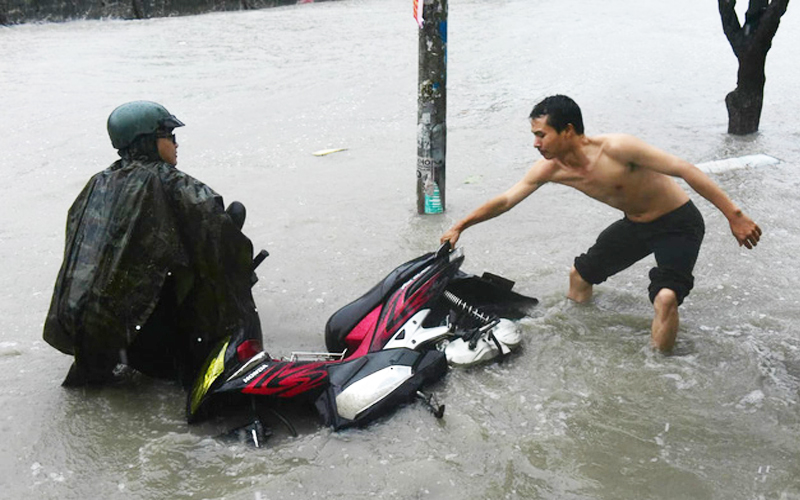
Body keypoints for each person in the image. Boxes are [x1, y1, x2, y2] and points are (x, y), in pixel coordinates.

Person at [441, 95, 762, 351]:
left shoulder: (618, 148)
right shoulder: (551, 169)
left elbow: (684, 169)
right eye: (534, 136)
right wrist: (462, 225)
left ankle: (661, 368)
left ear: (567, 130)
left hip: (678, 223)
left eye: (542, 135)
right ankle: (578, 333)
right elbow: (506, 200)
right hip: (636, 225)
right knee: (579, 276)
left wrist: (734, 215)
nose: (536, 144)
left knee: (665, 297)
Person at [43, 101, 262, 386]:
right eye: (169, 135)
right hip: (157, 348)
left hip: (96, 342)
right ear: (147, 140)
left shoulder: (96, 185)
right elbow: (225, 249)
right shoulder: (176, 185)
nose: (175, 143)